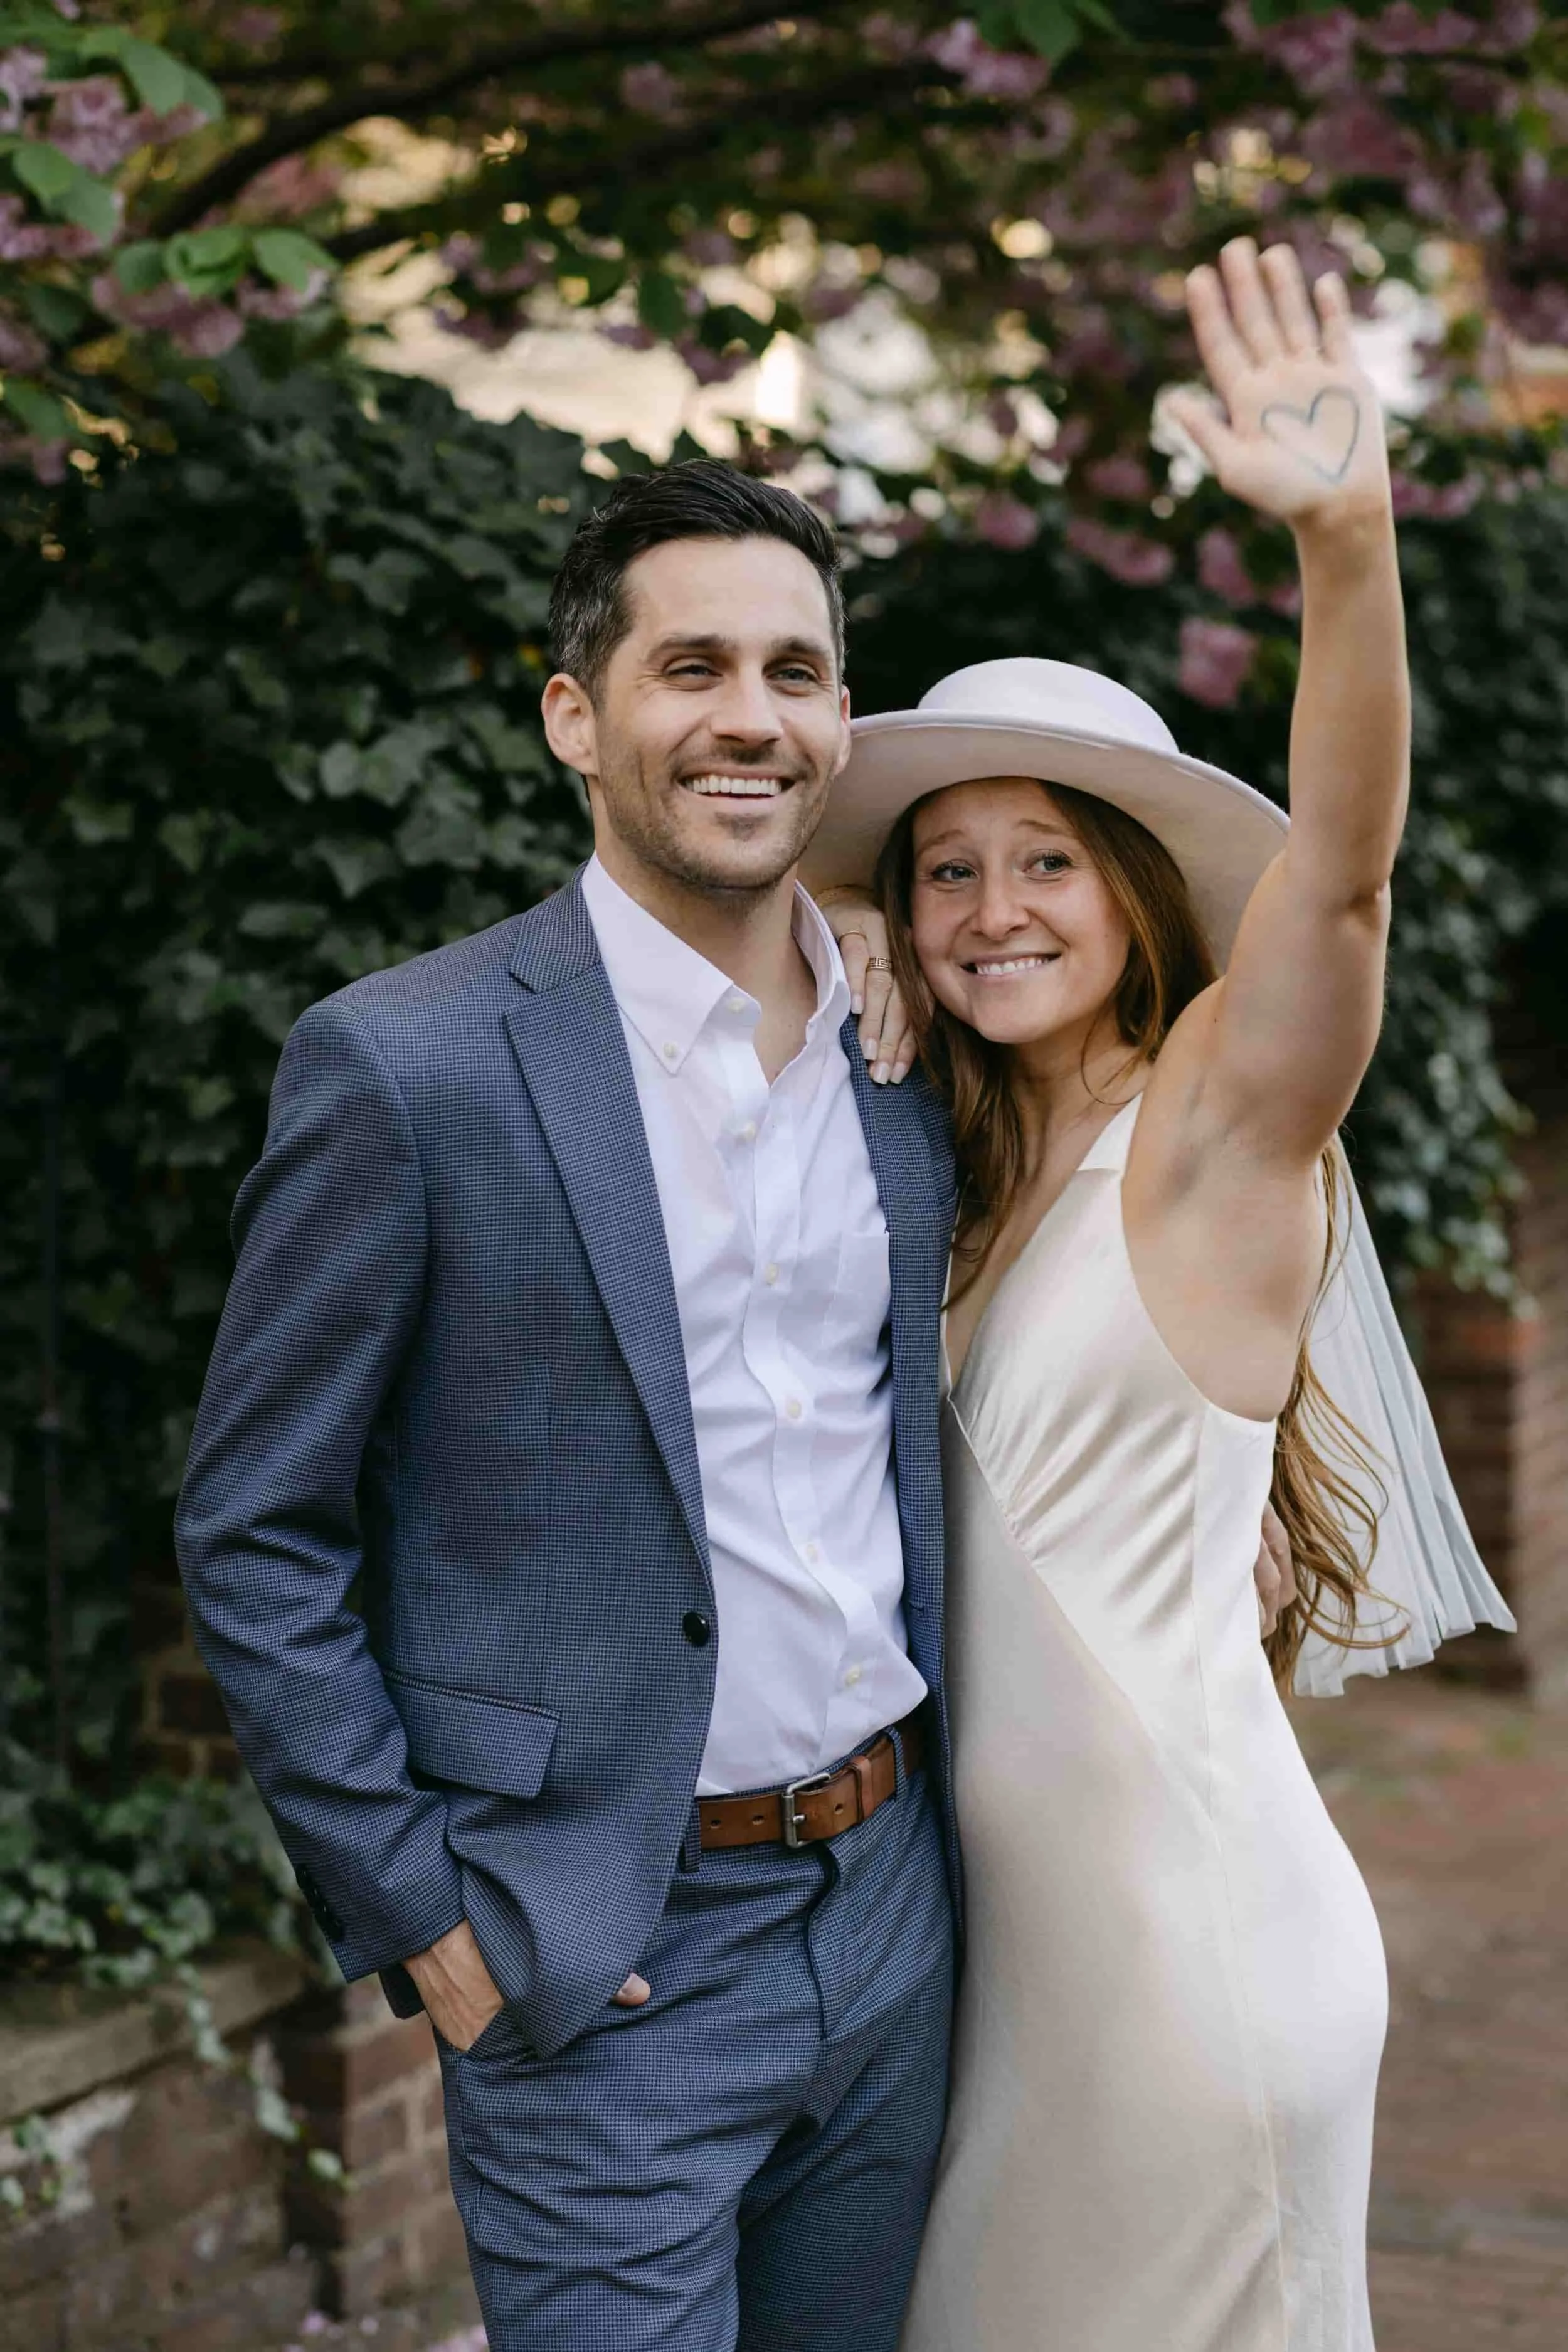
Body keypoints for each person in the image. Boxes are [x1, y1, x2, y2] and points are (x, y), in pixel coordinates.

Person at [800, 240, 1512, 2351]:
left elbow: (1345, 873)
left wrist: (1345, 544)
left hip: (1196, 1970)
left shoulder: (1215, 1130)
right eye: (945, 865)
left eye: (1043, 858)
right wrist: (829, 943)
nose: (992, 905)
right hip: (1012, 1986)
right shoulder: (940, 1175)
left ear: (1126, 896)